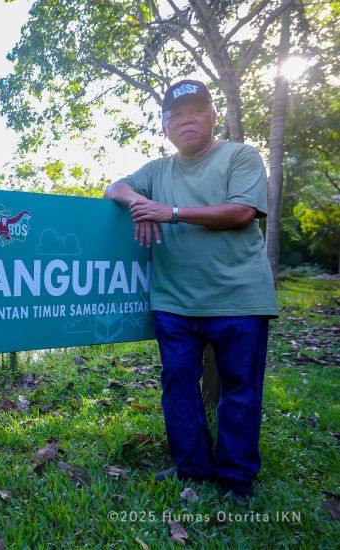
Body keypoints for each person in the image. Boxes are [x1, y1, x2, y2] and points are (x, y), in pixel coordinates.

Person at [103, 79, 278, 501]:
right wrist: (138, 205)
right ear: (165, 124)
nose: (186, 120)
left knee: (240, 389)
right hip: (174, 302)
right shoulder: (158, 169)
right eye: (176, 114)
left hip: (238, 298)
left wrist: (171, 212)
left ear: (212, 116)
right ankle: (193, 469)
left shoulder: (241, 156)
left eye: (196, 111)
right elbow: (115, 187)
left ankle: (237, 478)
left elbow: (241, 212)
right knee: (178, 385)